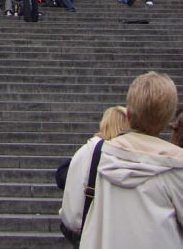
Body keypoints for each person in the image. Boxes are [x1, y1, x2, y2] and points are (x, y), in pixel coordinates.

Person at [60, 71, 183, 249]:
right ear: (167, 120)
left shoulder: (92, 152)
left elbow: (71, 218)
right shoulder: (177, 166)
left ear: (129, 115)